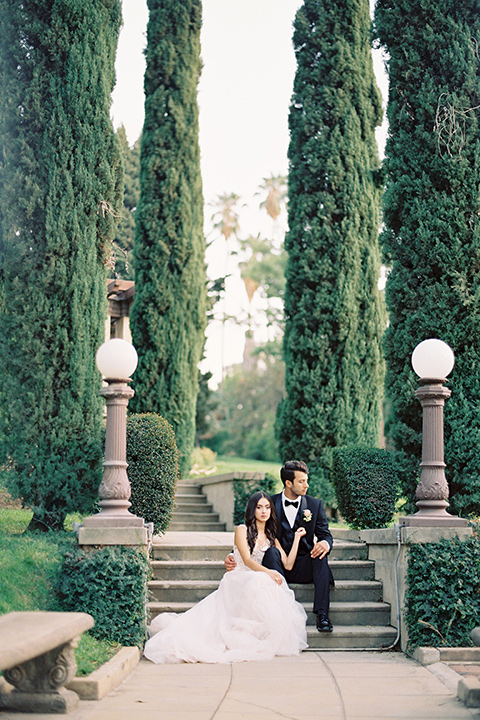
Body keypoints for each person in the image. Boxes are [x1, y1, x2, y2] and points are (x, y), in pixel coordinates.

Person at [143, 491, 308, 664]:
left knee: (262, 582)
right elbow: (247, 560)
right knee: (260, 580)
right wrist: (268, 572)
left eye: (267, 507)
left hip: (255, 579)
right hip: (239, 577)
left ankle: (255, 633)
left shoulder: (271, 538)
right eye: (259, 507)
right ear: (252, 510)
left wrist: (297, 538)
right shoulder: (242, 530)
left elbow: (288, 564)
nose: (264, 511)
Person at [225, 460, 334, 632]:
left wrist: (324, 543)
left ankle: (322, 616)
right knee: (272, 551)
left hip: (302, 565)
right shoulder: (269, 504)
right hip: (275, 566)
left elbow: (325, 535)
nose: (307, 485)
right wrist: (232, 555)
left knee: (320, 555)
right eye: (302, 481)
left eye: (306, 480)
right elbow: (254, 534)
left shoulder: (315, 505)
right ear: (288, 483)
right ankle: (281, 610)